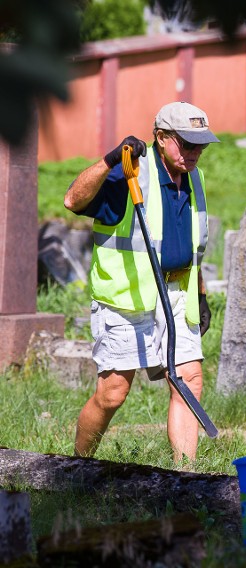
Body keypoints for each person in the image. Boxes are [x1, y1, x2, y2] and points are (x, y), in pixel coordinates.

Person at [64, 101, 219, 463]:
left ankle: (186, 481)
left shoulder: (193, 176)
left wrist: (200, 294)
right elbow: (72, 199)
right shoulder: (130, 173)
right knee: (113, 393)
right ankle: (76, 467)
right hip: (127, 297)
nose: (196, 152)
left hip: (177, 294)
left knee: (188, 380)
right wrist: (109, 161)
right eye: (188, 143)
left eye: (201, 145)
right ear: (162, 138)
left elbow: (192, 243)